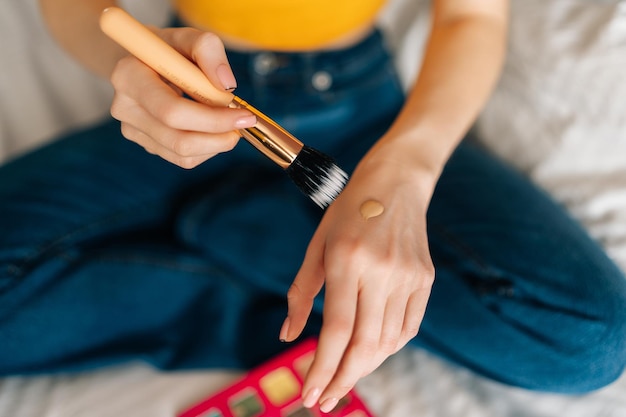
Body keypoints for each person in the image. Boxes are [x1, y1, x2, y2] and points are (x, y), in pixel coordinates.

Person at [0, 0, 624, 412]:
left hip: (367, 118)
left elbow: (473, 17)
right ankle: (284, 278)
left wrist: (408, 167)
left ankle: (255, 241)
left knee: (591, 342)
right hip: (192, 96)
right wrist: (128, 67)